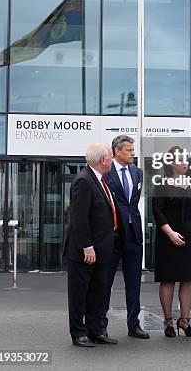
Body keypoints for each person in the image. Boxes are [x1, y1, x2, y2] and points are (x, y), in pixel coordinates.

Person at [63, 143, 120, 347]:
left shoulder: (100, 180)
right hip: (84, 251)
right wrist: (87, 246)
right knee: (79, 293)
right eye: (111, 157)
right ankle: (78, 333)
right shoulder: (84, 181)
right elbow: (79, 218)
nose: (113, 161)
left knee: (98, 291)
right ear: (102, 160)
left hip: (102, 249)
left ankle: (95, 331)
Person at [152, 146, 191, 338]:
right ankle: (168, 322)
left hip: (189, 239)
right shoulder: (160, 185)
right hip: (168, 237)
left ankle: (184, 321)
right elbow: (157, 213)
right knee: (168, 279)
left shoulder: (190, 186)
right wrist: (170, 233)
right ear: (170, 163)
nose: (185, 163)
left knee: (187, 279)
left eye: (186, 160)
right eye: (181, 160)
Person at [101, 135, 149, 339]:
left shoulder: (137, 173)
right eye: (128, 150)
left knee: (134, 282)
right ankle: (100, 325)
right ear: (116, 151)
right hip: (112, 235)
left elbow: (133, 203)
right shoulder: (106, 172)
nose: (132, 153)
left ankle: (134, 324)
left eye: (133, 149)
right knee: (104, 282)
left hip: (133, 235)